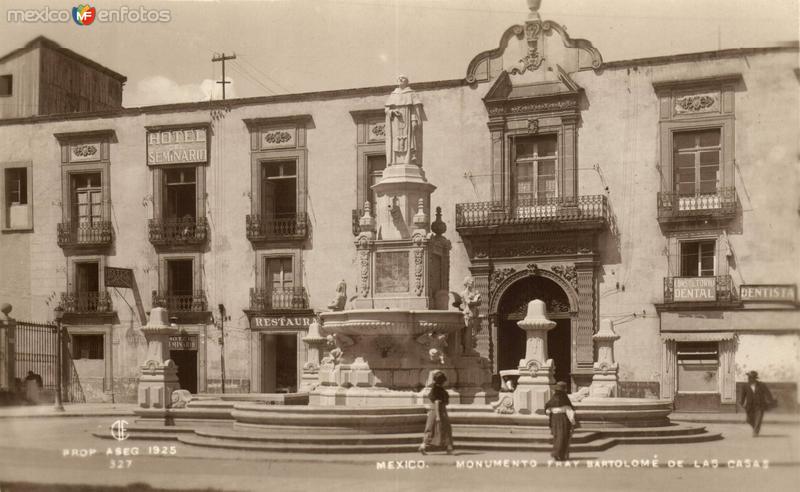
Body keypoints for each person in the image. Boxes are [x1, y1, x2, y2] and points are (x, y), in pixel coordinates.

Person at [419, 370, 454, 455]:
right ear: (442, 381)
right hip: (439, 411)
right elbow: (437, 402)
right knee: (446, 429)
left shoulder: (434, 388)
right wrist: (438, 416)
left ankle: (423, 445)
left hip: (432, 411)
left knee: (430, 429)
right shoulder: (439, 390)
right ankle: (449, 447)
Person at [544, 381, 577, 461]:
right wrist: (573, 422)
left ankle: (557, 453)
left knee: (557, 437)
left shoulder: (552, 399)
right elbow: (569, 412)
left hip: (554, 420)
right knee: (563, 437)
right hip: (563, 420)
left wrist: (553, 412)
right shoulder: (565, 400)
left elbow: (547, 411)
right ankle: (560, 454)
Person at [739, 370, 775, 437]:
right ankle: (755, 428)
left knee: (758, 418)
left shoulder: (761, 385)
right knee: (749, 420)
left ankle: (755, 431)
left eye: (750, 377)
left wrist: (771, 401)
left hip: (760, 405)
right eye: (748, 377)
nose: (748, 379)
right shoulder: (745, 386)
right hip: (750, 406)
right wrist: (741, 402)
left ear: (754, 378)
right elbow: (743, 395)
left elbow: (768, 393)